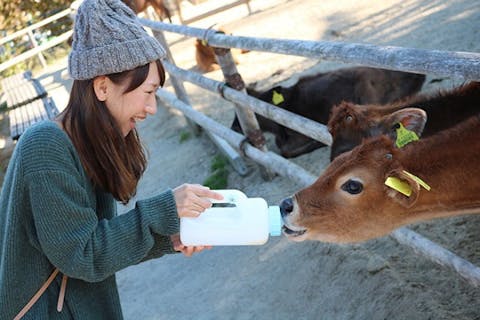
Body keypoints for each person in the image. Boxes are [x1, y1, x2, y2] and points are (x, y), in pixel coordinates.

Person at [0, 0, 223, 318]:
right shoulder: (45, 147)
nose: (152, 108)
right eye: (147, 92)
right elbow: (83, 255)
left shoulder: (90, 142)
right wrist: (165, 209)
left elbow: (99, 242)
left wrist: (169, 237)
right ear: (103, 86)